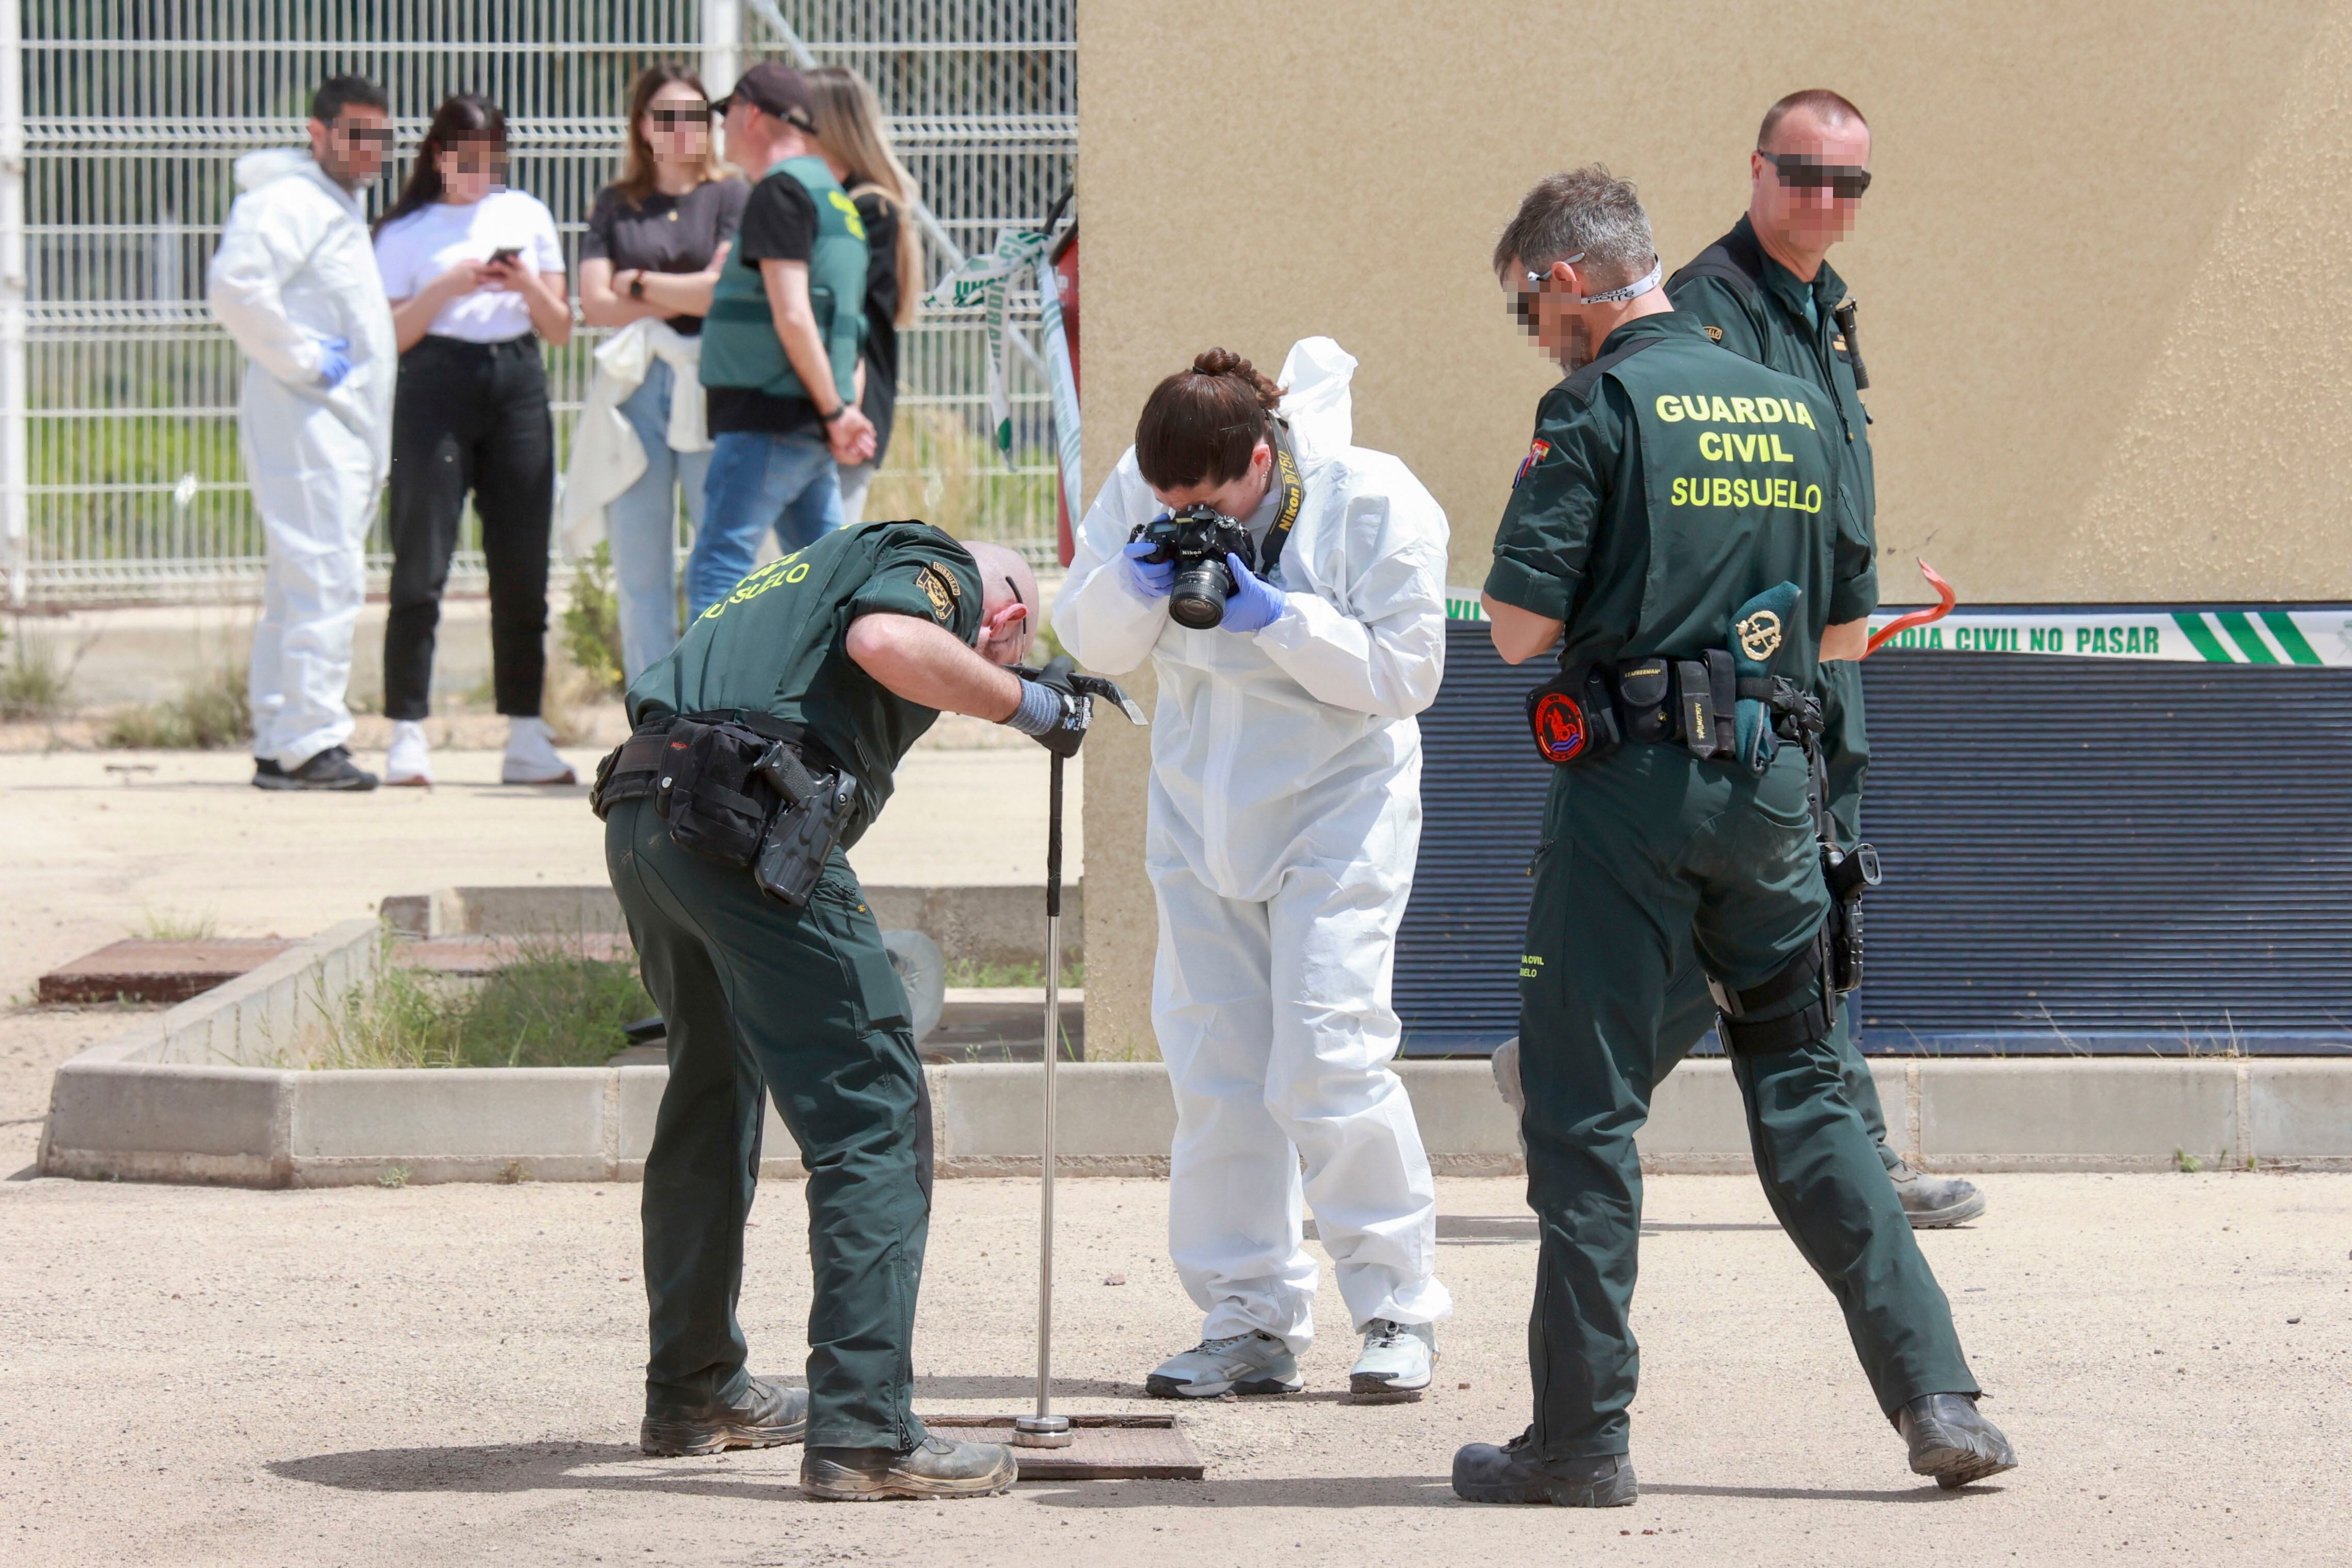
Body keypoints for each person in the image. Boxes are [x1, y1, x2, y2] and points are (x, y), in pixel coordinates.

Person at [1452, 167, 2015, 1508]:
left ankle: (1578, 1441)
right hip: (1774, 792)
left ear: (1571, 279)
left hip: (1628, 797)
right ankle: (1936, 1397)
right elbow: (1833, 632)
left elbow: (1518, 632)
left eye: (1528, 307)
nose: (1532, 335)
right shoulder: (1794, 406)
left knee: (1584, 1115)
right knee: (1808, 1098)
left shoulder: (1590, 406)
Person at [603, 520, 1090, 1499]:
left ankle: (695, 1392)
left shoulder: (799, 580)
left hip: (647, 816)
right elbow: (890, 645)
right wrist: (1030, 703)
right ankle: (867, 1433)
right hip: (740, 821)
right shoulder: (939, 569)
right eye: (1000, 650)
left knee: (710, 1092)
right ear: (1004, 617)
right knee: (873, 1109)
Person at [1052, 340, 1453, 1403]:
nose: (1187, 512)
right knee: (1215, 1067)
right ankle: (1247, 1315)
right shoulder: (1140, 490)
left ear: (1262, 461)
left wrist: (1278, 618)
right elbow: (1084, 630)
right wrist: (1128, 584)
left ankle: (1395, 1307)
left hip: (1338, 802)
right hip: (1197, 810)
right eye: (1165, 495)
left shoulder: (1369, 501)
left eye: (1207, 496)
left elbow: (1406, 672)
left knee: (1327, 1051)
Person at [1665, 89, 1985, 1228]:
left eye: (1846, 181)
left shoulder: (1818, 305)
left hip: (1821, 650)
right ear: (1754, 168)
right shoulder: (1713, 306)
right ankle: (1860, 1157)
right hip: (1756, 659)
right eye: (1802, 173)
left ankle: (1558, 1056)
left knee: (1790, 893)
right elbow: (1721, 495)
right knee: (1798, 897)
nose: (1823, 198)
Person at [371, 93, 574, 788]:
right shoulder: (406, 230)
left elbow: (559, 326)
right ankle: (406, 730)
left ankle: (524, 731)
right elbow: (392, 335)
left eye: (493, 161)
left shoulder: (526, 215)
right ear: (437, 156)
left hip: (515, 378)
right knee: (421, 557)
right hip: (434, 382)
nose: (479, 174)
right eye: (466, 160)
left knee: (522, 565)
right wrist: (450, 287)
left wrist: (520, 283)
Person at [206, 74, 397, 792]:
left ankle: (281, 735)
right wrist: (309, 359)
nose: (368, 148)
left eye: (379, 134)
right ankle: (312, 740)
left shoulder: (332, 206)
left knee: (298, 583)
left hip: (331, 424)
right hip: (306, 420)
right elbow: (234, 287)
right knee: (324, 578)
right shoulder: (286, 202)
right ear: (317, 134)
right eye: (354, 133)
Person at [564, 64, 749, 683]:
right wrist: (681, 294)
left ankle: (713, 705)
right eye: (667, 117)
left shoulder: (731, 194)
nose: (682, 131)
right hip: (634, 391)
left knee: (716, 561)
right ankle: (651, 711)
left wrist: (637, 284)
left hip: (709, 386)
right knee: (640, 568)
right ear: (643, 126)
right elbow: (594, 305)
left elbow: (719, 294)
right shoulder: (617, 204)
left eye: (696, 116)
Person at [686, 63, 877, 618]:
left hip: (768, 416)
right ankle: (844, 698)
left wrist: (835, 412)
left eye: (725, 115)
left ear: (750, 116)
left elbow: (794, 314)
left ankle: (698, 706)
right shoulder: (837, 199)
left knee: (718, 567)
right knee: (828, 579)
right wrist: (839, 410)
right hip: (809, 417)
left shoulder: (780, 191)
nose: (719, 129)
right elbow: (847, 326)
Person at [806, 64, 923, 527]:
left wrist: (842, 410)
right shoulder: (849, 201)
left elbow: (847, 317)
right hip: (837, 399)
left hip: (850, 401)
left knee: (821, 560)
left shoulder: (867, 207)